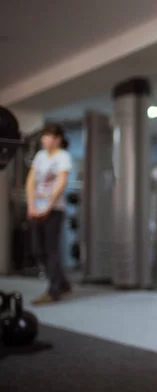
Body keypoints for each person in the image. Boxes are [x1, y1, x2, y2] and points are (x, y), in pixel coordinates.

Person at [26, 124, 73, 305]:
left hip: (54, 210)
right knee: (38, 250)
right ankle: (62, 283)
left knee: (51, 250)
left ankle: (54, 291)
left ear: (57, 139)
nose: (43, 140)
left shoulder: (63, 157)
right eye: (43, 137)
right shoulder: (40, 156)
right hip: (36, 208)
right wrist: (31, 205)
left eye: (47, 137)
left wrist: (48, 206)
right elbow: (31, 181)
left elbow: (61, 183)